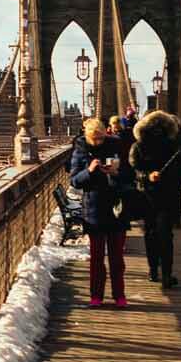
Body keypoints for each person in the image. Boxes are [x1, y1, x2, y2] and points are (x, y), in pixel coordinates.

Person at [70, 115, 134, 307]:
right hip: (94, 209)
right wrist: (89, 171)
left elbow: (130, 175)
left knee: (117, 258)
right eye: (94, 138)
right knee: (96, 258)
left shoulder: (117, 146)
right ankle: (96, 296)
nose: (98, 141)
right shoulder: (81, 150)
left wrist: (115, 173)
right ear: (88, 136)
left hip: (116, 207)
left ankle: (119, 295)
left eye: (101, 137)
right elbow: (74, 181)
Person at [132, 109, 181, 287]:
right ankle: (160, 272)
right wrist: (148, 176)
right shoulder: (170, 145)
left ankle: (159, 272)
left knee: (155, 233)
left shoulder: (141, 145)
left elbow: (134, 169)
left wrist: (146, 177)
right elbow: (136, 171)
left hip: (154, 195)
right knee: (160, 234)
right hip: (156, 195)